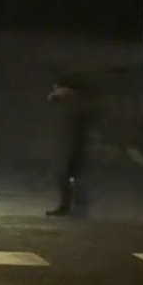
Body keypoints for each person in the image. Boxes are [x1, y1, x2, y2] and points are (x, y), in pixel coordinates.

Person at [46, 75, 90, 217]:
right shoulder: (81, 101)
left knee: (66, 176)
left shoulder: (67, 96)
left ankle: (69, 206)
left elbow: (52, 98)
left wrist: (56, 91)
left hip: (71, 145)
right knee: (73, 176)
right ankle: (76, 206)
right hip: (76, 144)